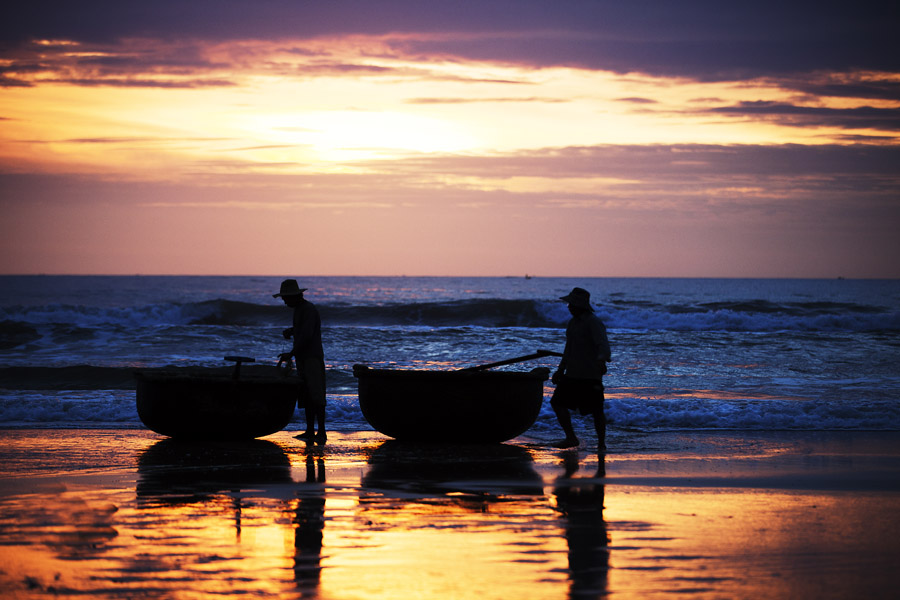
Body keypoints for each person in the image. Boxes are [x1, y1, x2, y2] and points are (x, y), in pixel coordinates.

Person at [550, 287, 611, 450]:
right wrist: (560, 369)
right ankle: (571, 437)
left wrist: (601, 362)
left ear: (579, 305)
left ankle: (601, 444)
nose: (568, 307)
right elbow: (568, 349)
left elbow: (603, 346)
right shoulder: (573, 323)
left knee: (597, 410)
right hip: (572, 373)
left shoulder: (593, 322)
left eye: (571, 304)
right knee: (557, 402)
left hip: (590, 375)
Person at [274, 279, 327, 444]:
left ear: (295, 296)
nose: (284, 301)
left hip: (311, 357)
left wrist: (290, 354)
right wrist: (292, 331)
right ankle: (310, 431)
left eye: (286, 298)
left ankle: (322, 432)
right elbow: (302, 331)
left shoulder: (308, 310)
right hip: (303, 358)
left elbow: (306, 336)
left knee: (316, 395)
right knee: (307, 395)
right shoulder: (300, 309)